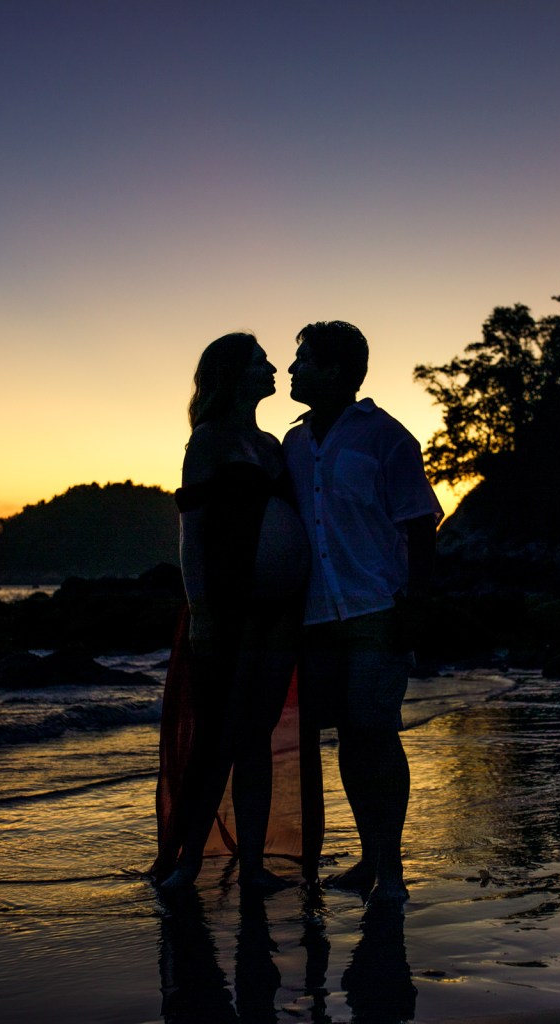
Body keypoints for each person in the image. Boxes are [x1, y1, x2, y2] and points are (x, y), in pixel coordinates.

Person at [152, 331, 322, 892]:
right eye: (260, 361)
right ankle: (186, 863)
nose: (273, 367)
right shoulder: (207, 441)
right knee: (219, 736)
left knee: (256, 736)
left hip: (280, 610)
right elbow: (191, 533)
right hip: (228, 608)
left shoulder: (273, 444)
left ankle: (252, 866)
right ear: (233, 374)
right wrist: (199, 608)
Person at [283, 320, 442, 905]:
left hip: (378, 606)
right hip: (316, 617)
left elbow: (420, 523)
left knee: (377, 733)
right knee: (348, 739)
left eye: (302, 360)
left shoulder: (387, 437)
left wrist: (416, 605)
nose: (292, 370)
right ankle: (369, 859)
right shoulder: (292, 445)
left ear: (334, 370)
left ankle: (392, 869)